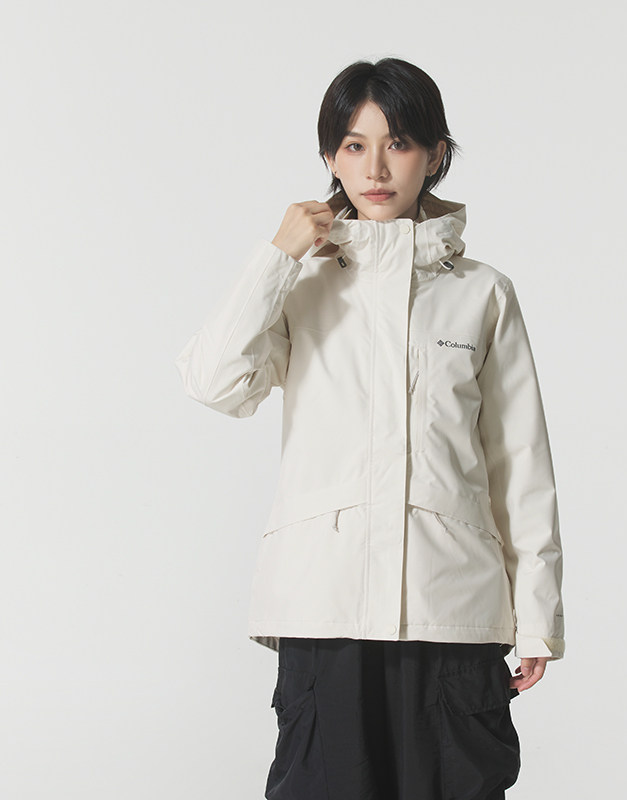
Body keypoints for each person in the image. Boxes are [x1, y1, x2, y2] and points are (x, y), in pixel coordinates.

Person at [174, 57, 565, 800]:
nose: (376, 168)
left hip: (452, 613)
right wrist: (277, 256)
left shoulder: (483, 294)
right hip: (324, 608)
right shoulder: (298, 284)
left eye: (400, 143)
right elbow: (213, 383)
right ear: (329, 157)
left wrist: (538, 616)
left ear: (437, 154)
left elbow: (520, 462)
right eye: (354, 145)